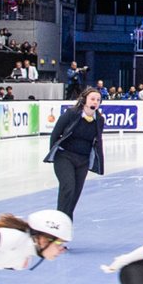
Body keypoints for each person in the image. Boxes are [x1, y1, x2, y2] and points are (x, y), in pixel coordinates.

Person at [44, 89, 105, 218]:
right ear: (85, 100)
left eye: (98, 100)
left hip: (83, 161)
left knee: (75, 194)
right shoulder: (71, 113)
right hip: (64, 157)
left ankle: (66, 222)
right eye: (92, 99)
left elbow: (97, 141)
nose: (95, 102)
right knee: (68, 188)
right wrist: (54, 154)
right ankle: (59, 221)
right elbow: (55, 134)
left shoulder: (99, 119)